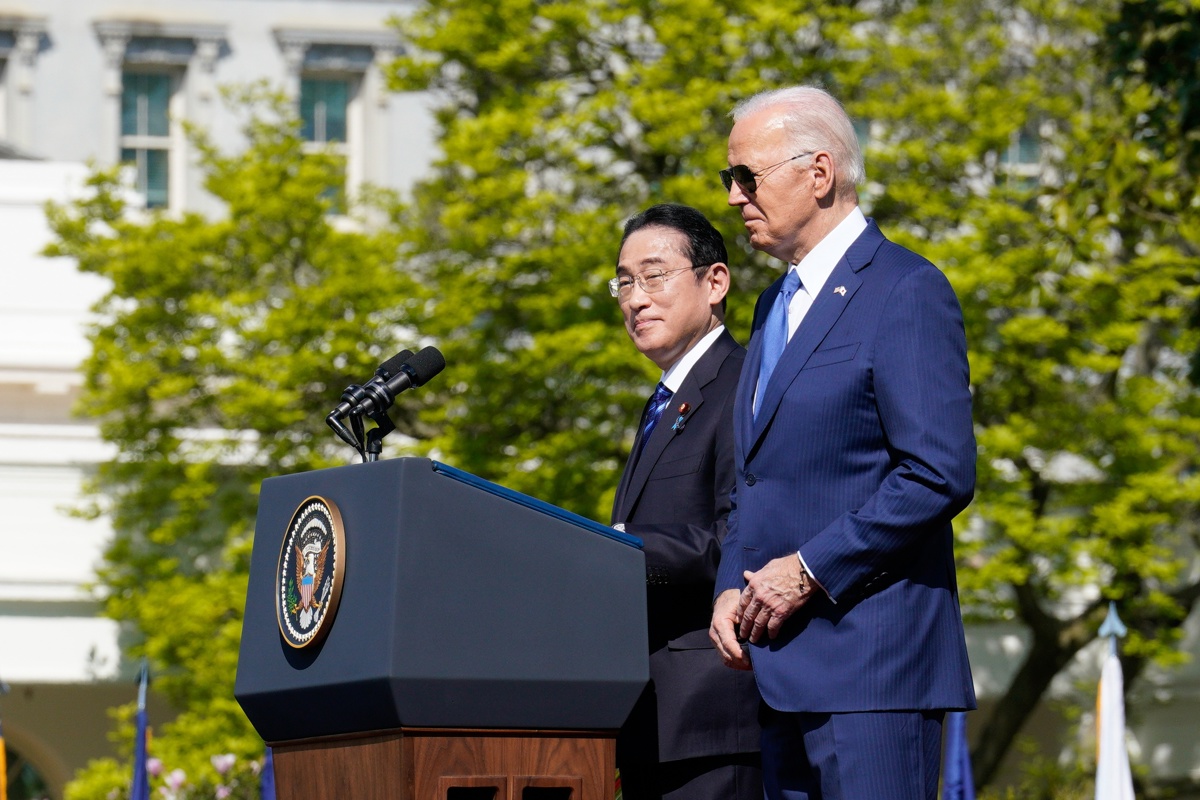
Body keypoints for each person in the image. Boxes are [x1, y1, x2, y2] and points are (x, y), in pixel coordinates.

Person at [707, 86, 977, 800]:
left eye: (747, 176)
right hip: (778, 672)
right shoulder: (772, 305)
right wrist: (729, 582)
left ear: (818, 173)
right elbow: (755, 476)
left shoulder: (905, 290)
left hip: (873, 677)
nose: (734, 197)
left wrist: (808, 569)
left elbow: (938, 473)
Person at [609, 203, 761, 800]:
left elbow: (738, 534)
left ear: (715, 281)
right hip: (650, 717)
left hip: (713, 716)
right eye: (624, 281)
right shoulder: (663, 403)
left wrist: (608, 549)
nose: (634, 299)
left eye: (654, 276)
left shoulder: (744, 384)